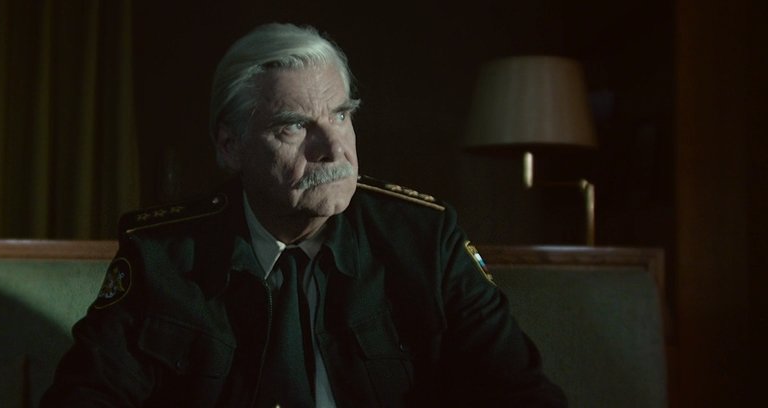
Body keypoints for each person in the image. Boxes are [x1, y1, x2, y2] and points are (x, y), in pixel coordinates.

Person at [41, 23, 566, 407]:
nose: (334, 150)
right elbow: (84, 397)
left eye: (341, 115)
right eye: (294, 126)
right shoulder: (161, 257)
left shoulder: (426, 241)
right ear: (230, 146)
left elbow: (522, 394)